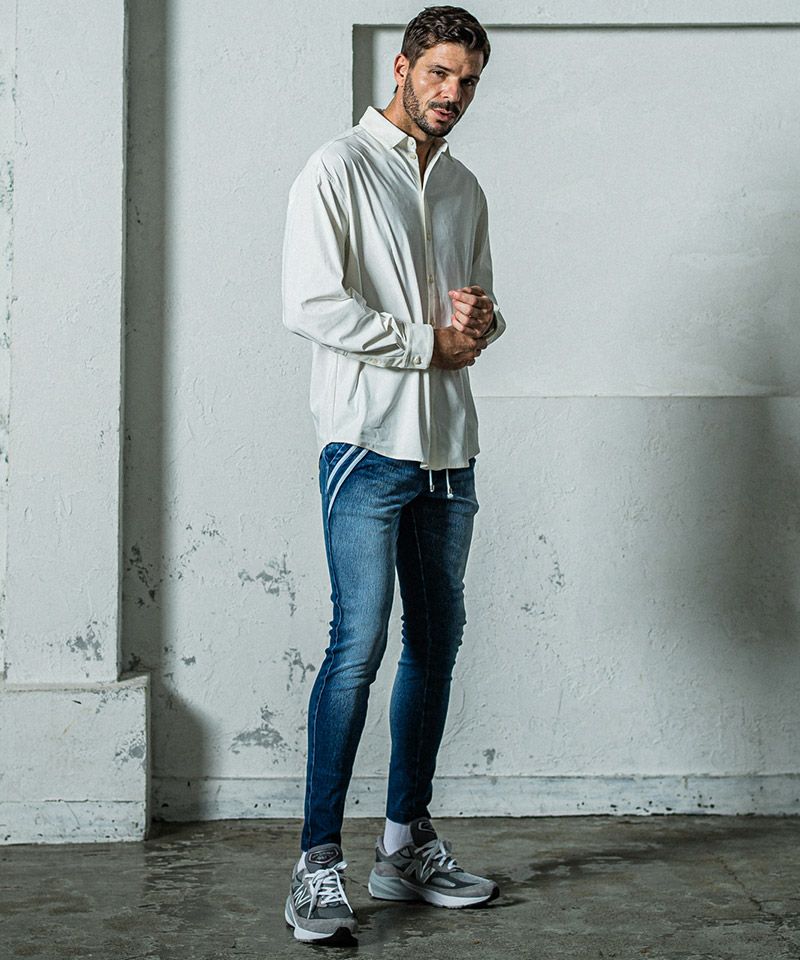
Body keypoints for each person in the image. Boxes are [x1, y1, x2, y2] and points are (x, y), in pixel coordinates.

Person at [281, 4, 506, 944]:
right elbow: (311, 305)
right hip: (367, 447)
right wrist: (428, 342)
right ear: (404, 67)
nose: (454, 94)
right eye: (441, 73)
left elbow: (479, 317)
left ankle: (405, 844)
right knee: (357, 647)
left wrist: (481, 323)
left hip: (449, 452)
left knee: (436, 645)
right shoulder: (337, 167)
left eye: (469, 82)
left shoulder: (463, 186)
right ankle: (316, 865)